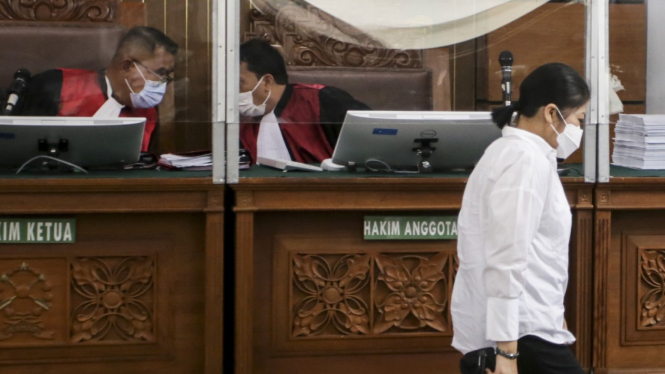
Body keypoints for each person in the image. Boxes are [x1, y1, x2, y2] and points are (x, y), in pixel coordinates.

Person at [451, 63, 590, 374]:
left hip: (528, 322)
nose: (580, 131)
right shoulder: (523, 161)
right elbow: (506, 257)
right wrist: (507, 354)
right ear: (551, 113)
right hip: (520, 331)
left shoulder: (516, 153)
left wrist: (553, 313)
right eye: (579, 120)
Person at [15, 26, 178, 152]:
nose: (164, 83)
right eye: (160, 73)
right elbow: (18, 148)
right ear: (127, 66)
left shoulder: (148, 112)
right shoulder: (56, 86)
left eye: (168, 76)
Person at [238, 38, 369, 164]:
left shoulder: (321, 100)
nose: (233, 92)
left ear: (267, 82)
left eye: (239, 83)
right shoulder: (241, 125)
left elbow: (372, 139)